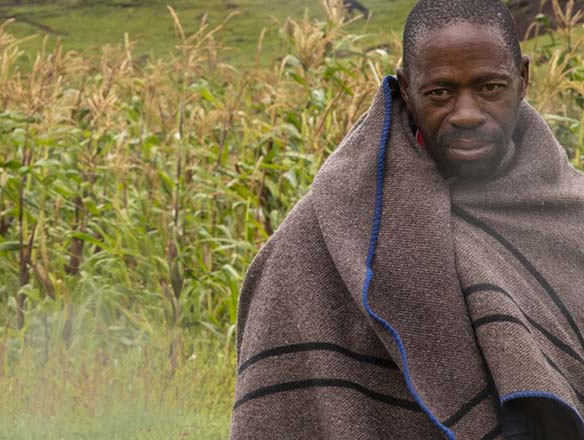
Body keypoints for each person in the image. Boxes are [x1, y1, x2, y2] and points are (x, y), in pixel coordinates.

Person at [232, 0, 584, 438]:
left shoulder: (571, 210)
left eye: (490, 88)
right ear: (405, 88)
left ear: (524, 79)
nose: (468, 114)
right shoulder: (337, 220)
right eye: (440, 93)